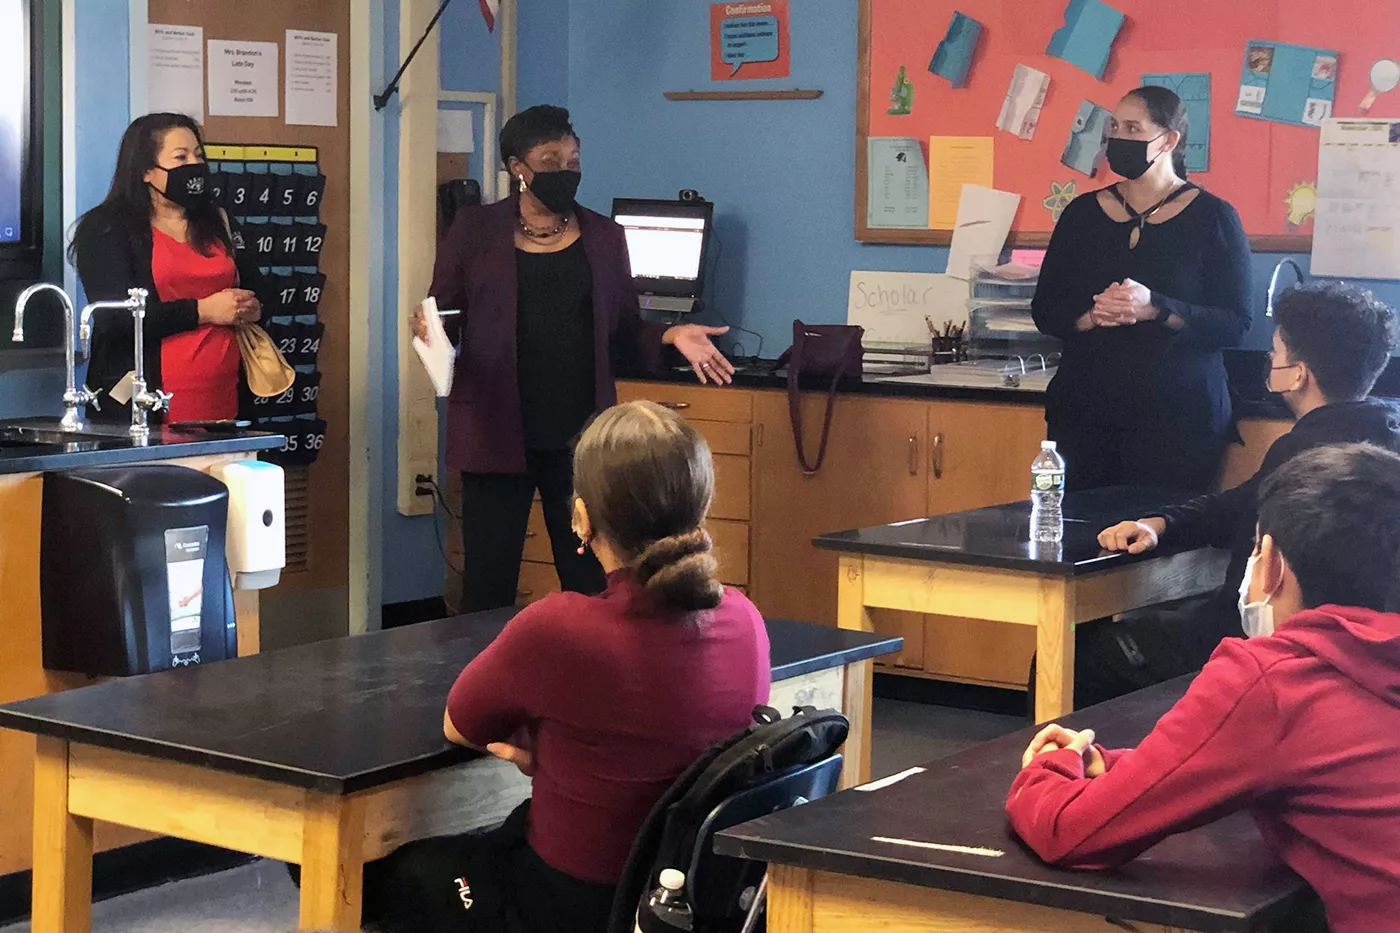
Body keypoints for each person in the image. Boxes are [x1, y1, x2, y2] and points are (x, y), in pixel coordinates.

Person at [359, 400, 771, 933]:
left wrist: (541, 744)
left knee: (379, 876)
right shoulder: (745, 618)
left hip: (567, 905)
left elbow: (459, 725)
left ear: (581, 518)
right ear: (702, 504)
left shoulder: (557, 628)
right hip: (686, 901)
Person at [1008, 443, 1400, 933]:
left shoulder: (1273, 680)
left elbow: (1070, 832)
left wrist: (1049, 767)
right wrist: (1117, 764)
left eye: (1254, 549)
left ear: (1272, 563)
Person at [416, 105, 736, 613]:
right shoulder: (475, 230)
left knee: (590, 578)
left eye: (573, 160)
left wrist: (671, 334)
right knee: (488, 582)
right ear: (518, 167)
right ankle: (484, 665)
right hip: (496, 429)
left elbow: (624, 328)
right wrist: (428, 328)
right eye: (550, 160)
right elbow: (444, 315)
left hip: (582, 437)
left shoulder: (606, 236)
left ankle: (590, 661)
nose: (565, 170)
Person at [1079, 284, 1398, 705]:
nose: (1270, 361)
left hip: (1255, 642)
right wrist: (1163, 523)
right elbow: (1243, 501)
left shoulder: (1303, 451)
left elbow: (1244, 592)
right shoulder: (1381, 437)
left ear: (1298, 374)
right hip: (1364, 648)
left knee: (1084, 658)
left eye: (1276, 353)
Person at [1032, 86, 1252, 491]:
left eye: (1133, 128)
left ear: (1168, 140)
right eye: (1114, 127)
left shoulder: (1214, 217)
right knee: (1081, 524)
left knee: (1161, 526)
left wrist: (1156, 308)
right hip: (1085, 413)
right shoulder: (1081, 214)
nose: (1118, 137)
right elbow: (1045, 309)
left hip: (1180, 419)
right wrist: (1092, 315)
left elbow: (1235, 324)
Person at [72, 113, 267, 423]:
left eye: (198, 155)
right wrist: (202, 311)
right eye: (181, 157)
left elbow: (259, 288)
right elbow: (117, 318)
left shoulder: (218, 221)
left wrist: (253, 306)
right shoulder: (106, 228)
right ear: (146, 171)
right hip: (144, 407)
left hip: (225, 400)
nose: (194, 165)